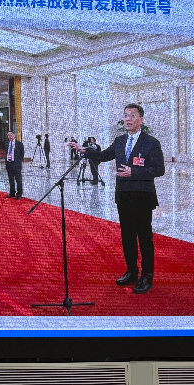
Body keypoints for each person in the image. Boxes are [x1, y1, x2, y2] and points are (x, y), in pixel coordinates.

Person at [69, 103, 164, 294]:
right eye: (126, 115)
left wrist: (134, 172)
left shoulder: (151, 142)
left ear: (141, 119)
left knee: (144, 238)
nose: (128, 119)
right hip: (123, 196)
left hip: (142, 197)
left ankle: (147, 276)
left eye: (132, 115)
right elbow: (104, 155)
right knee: (127, 237)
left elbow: (159, 169)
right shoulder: (120, 140)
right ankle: (132, 272)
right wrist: (84, 150)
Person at [5, 131, 24, 200]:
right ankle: (12, 192)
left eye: (11, 135)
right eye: (8, 135)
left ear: (14, 136)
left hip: (16, 164)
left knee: (18, 179)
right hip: (9, 164)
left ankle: (19, 194)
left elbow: (22, 154)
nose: (10, 137)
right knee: (11, 179)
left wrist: (18, 162)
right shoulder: (7, 144)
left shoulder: (19, 144)